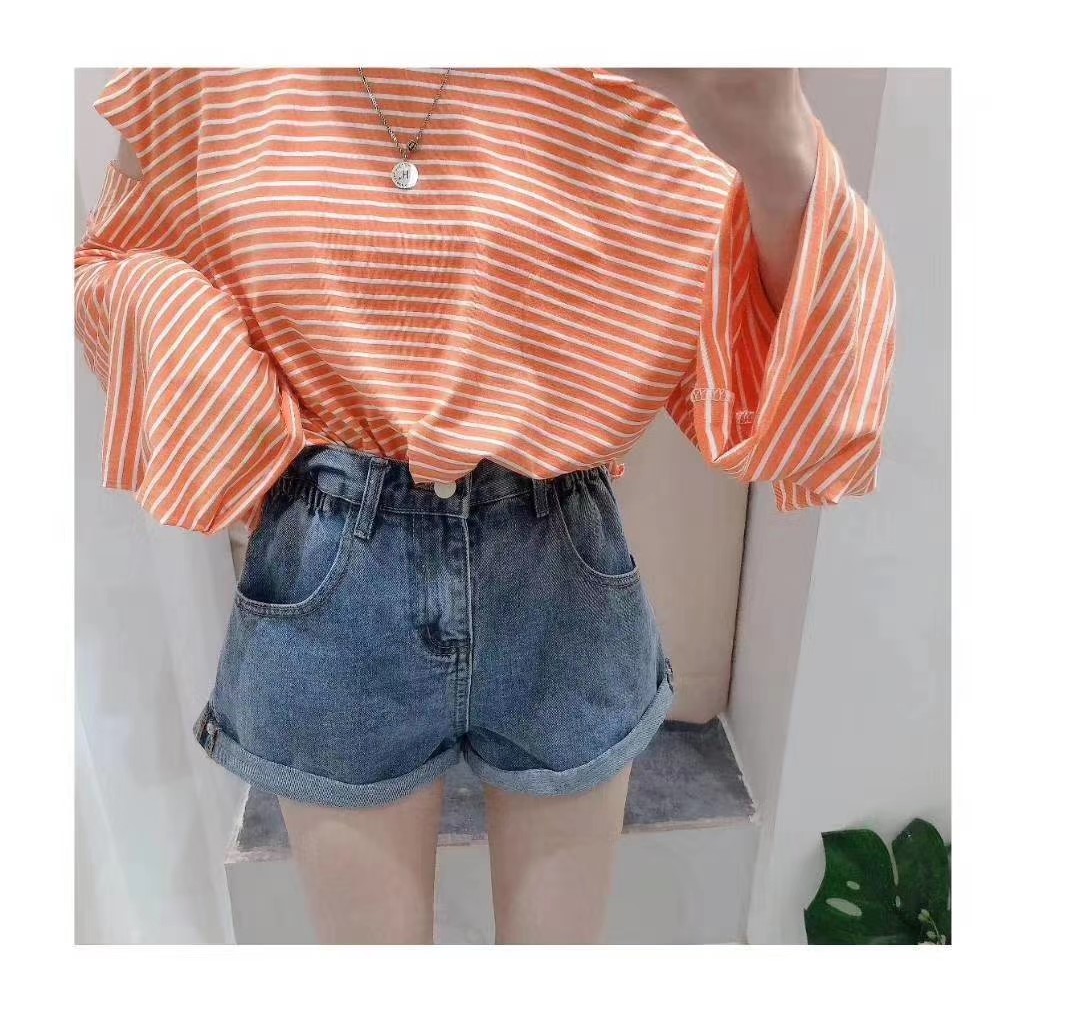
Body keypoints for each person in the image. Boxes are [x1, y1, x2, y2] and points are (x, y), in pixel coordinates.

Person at [74, 67, 895, 943]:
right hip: (333, 562)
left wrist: (778, 148)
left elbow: (796, 413)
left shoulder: (633, 69)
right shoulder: (222, 59)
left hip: (558, 556)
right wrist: (209, 381)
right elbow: (117, 258)